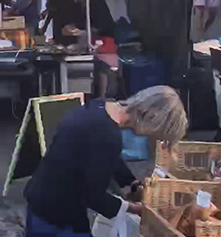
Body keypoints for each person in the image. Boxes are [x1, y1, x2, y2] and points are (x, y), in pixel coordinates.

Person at [24, 86, 187, 237]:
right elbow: (93, 196)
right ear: (151, 118)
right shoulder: (107, 135)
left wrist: (130, 182)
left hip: (42, 199)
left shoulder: (100, 107)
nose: (149, 137)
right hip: (56, 214)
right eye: (156, 133)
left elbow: (103, 157)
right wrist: (132, 208)